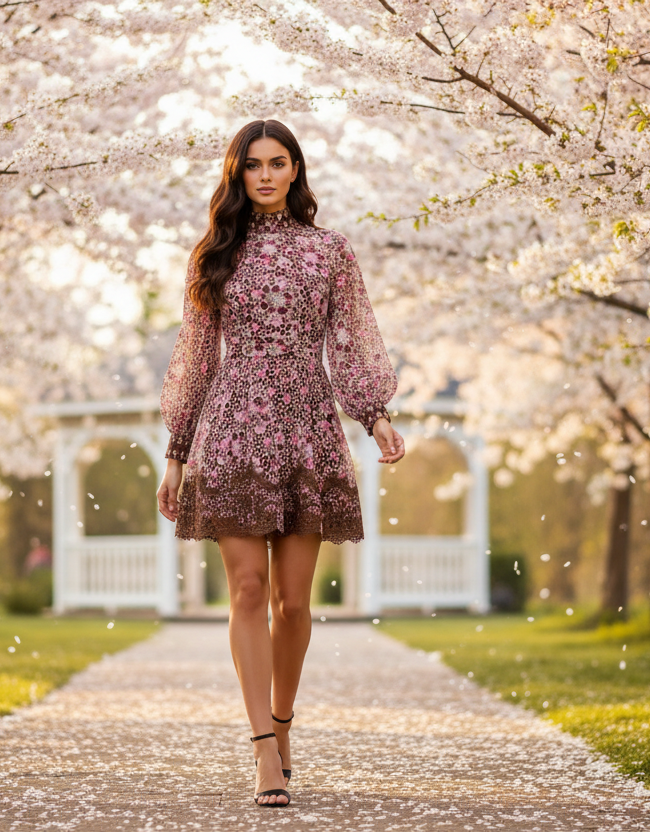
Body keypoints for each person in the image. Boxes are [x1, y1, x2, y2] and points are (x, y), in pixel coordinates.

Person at [156, 119, 405, 808]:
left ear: (295, 170)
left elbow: (352, 344)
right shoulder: (215, 255)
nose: (264, 175)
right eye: (251, 165)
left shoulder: (332, 253)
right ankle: (263, 750)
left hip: (308, 430)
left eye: (277, 162)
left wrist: (375, 414)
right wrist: (177, 454)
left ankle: (284, 725)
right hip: (233, 427)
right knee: (246, 592)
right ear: (236, 175)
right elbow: (197, 359)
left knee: (294, 603)